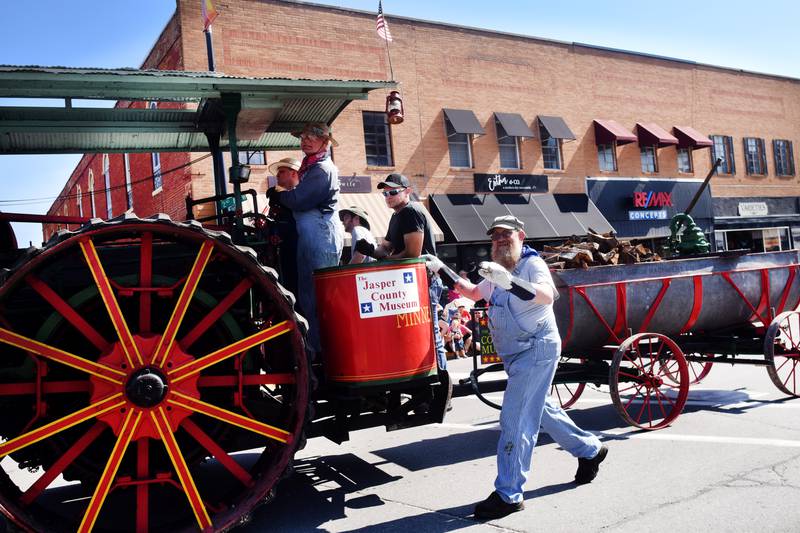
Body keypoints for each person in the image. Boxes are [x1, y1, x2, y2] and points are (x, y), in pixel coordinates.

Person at [422, 215, 607, 519]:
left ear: (521, 236)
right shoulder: (496, 270)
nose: (500, 240)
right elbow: (471, 292)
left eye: (506, 235)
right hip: (518, 354)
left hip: (536, 349)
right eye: (495, 237)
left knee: (516, 419)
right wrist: (440, 267)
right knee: (542, 410)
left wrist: (510, 283)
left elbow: (547, 295)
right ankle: (590, 450)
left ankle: (509, 494)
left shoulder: (531, 265)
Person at [354, 173, 448, 374]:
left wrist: (384, 258)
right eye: (385, 193)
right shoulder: (397, 216)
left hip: (425, 280)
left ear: (408, 192)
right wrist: (370, 250)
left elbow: (412, 254)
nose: (388, 196)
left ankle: (441, 382)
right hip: (412, 282)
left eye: (393, 192)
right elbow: (385, 249)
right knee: (419, 334)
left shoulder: (410, 211)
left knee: (430, 334)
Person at [274, 123, 344, 354]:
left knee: (320, 297)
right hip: (312, 233)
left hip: (320, 232)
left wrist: (280, 196)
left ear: (325, 143)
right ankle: (317, 350)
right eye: (303, 136)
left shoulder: (322, 170)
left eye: (313, 137)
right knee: (308, 295)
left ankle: (330, 353)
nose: (306, 140)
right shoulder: (310, 168)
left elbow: (299, 201)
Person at [266, 157, 301, 296]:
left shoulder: (301, 194)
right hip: (285, 250)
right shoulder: (281, 197)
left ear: (293, 173)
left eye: (282, 171)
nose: (277, 175)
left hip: (298, 249)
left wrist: (280, 197)